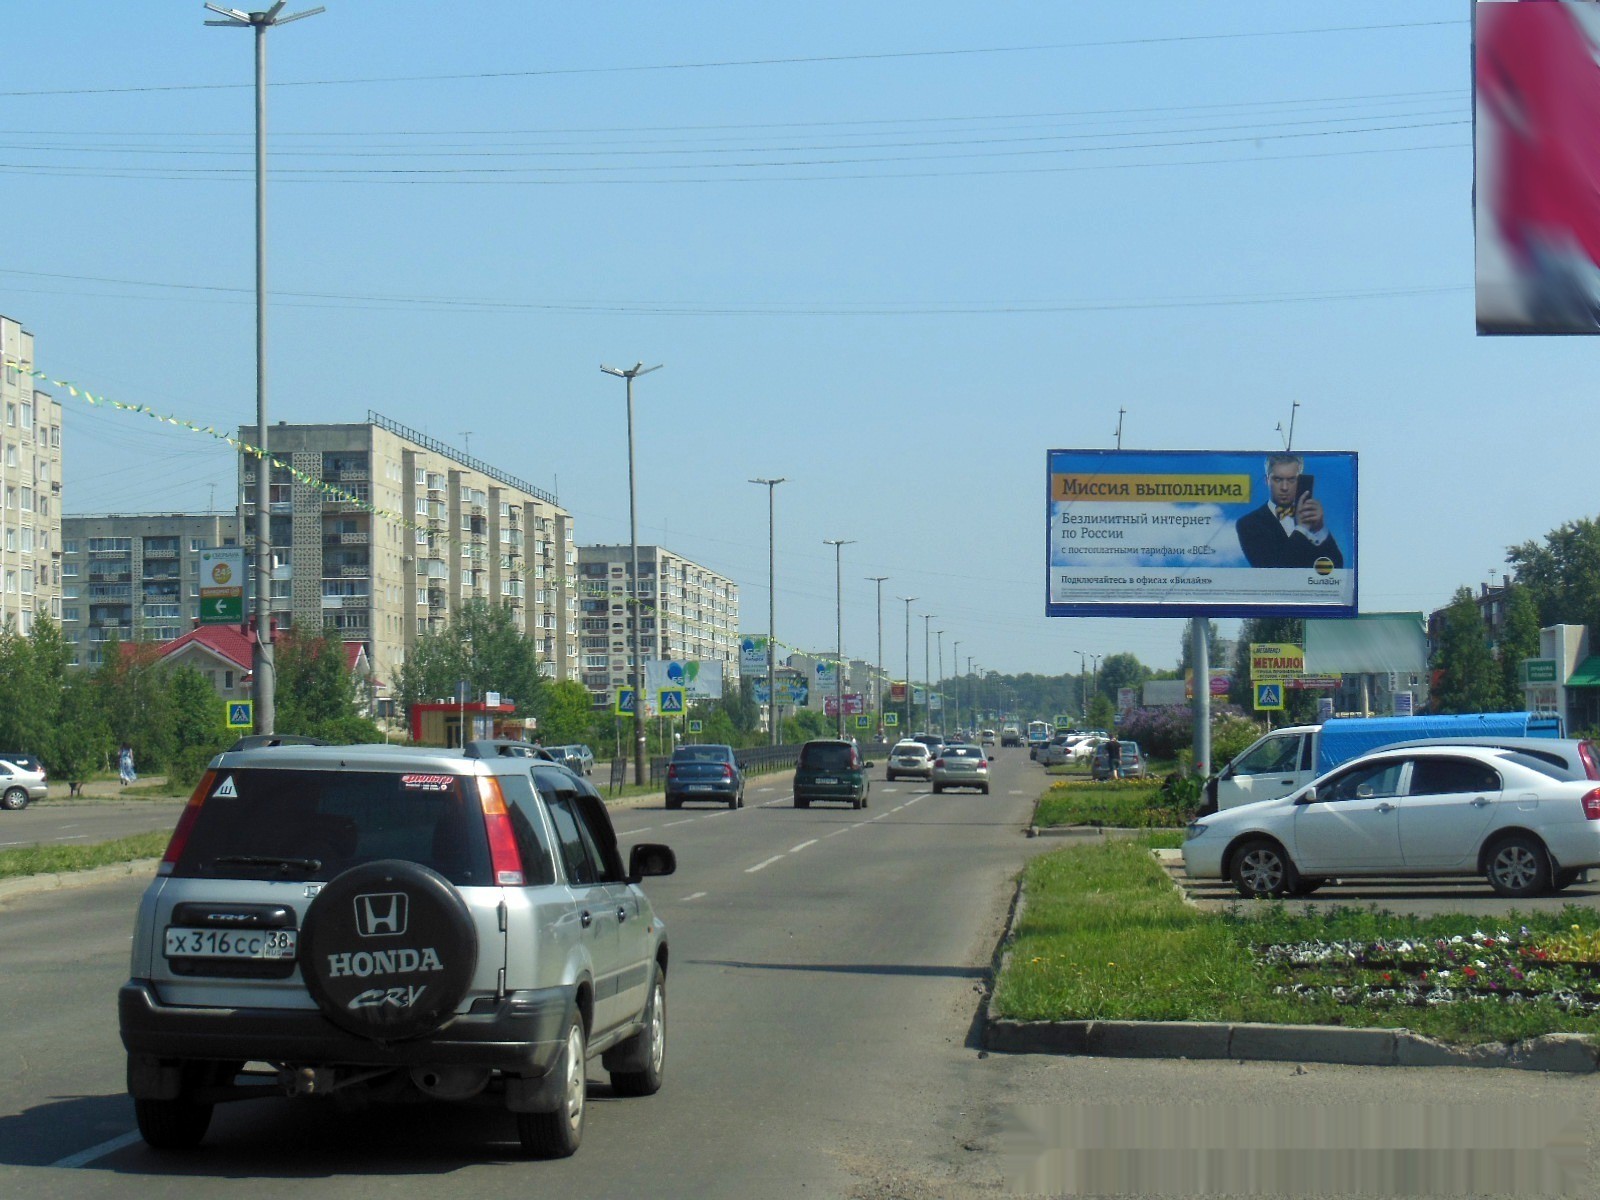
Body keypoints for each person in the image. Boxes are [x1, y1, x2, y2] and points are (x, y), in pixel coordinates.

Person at [1235, 453, 1344, 570]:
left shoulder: (1312, 518)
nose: (1285, 487)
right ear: (1267, 480)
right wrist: (1302, 528)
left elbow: (1336, 567)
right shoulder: (1248, 523)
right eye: (1277, 479)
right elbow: (1273, 570)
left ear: (1301, 480)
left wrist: (1319, 529)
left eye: (1292, 480)